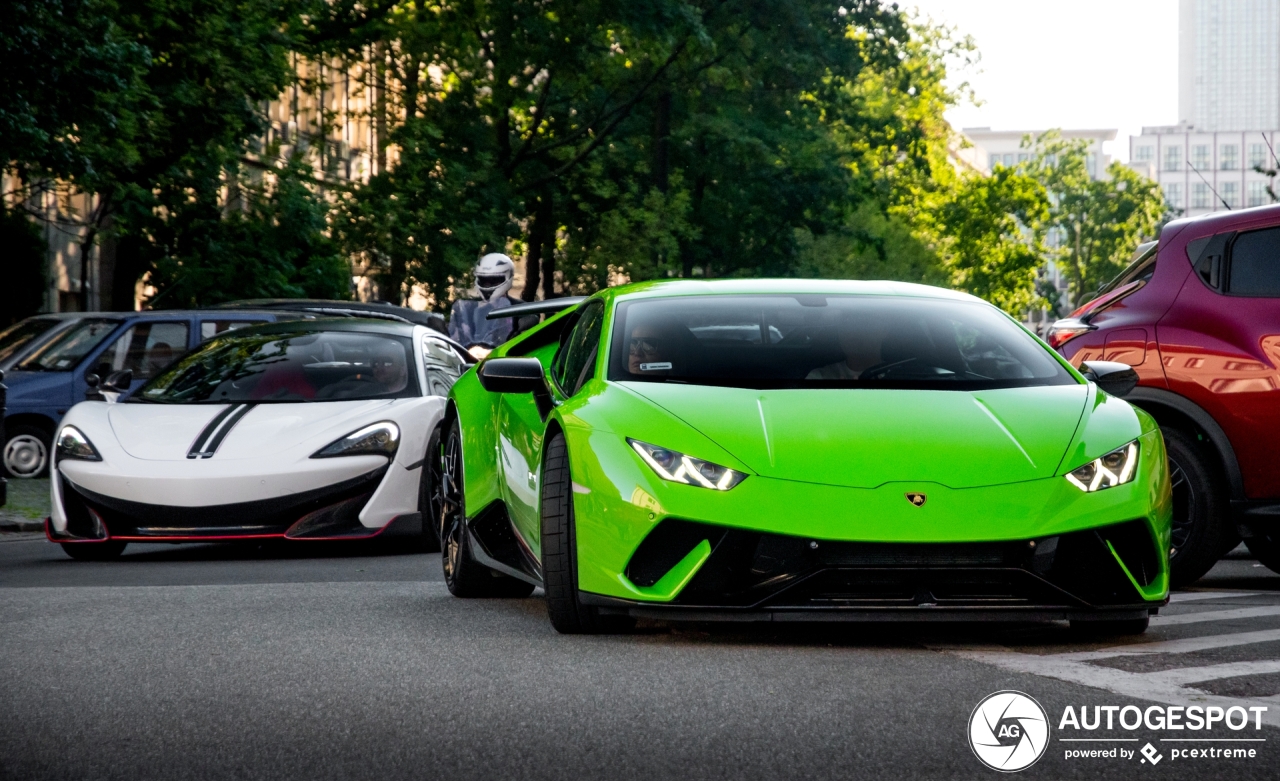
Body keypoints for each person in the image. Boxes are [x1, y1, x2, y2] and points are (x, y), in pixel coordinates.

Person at [448, 253, 528, 359]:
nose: (488, 285)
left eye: (494, 280)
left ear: (507, 278)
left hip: (503, 362)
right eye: (484, 280)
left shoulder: (521, 309)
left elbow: (525, 341)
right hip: (467, 360)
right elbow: (455, 337)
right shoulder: (470, 309)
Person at [807, 312, 890, 380]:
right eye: (847, 323)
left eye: (865, 323)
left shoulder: (898, 375)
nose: (854, 331)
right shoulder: (819, 377)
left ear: (884, 330)